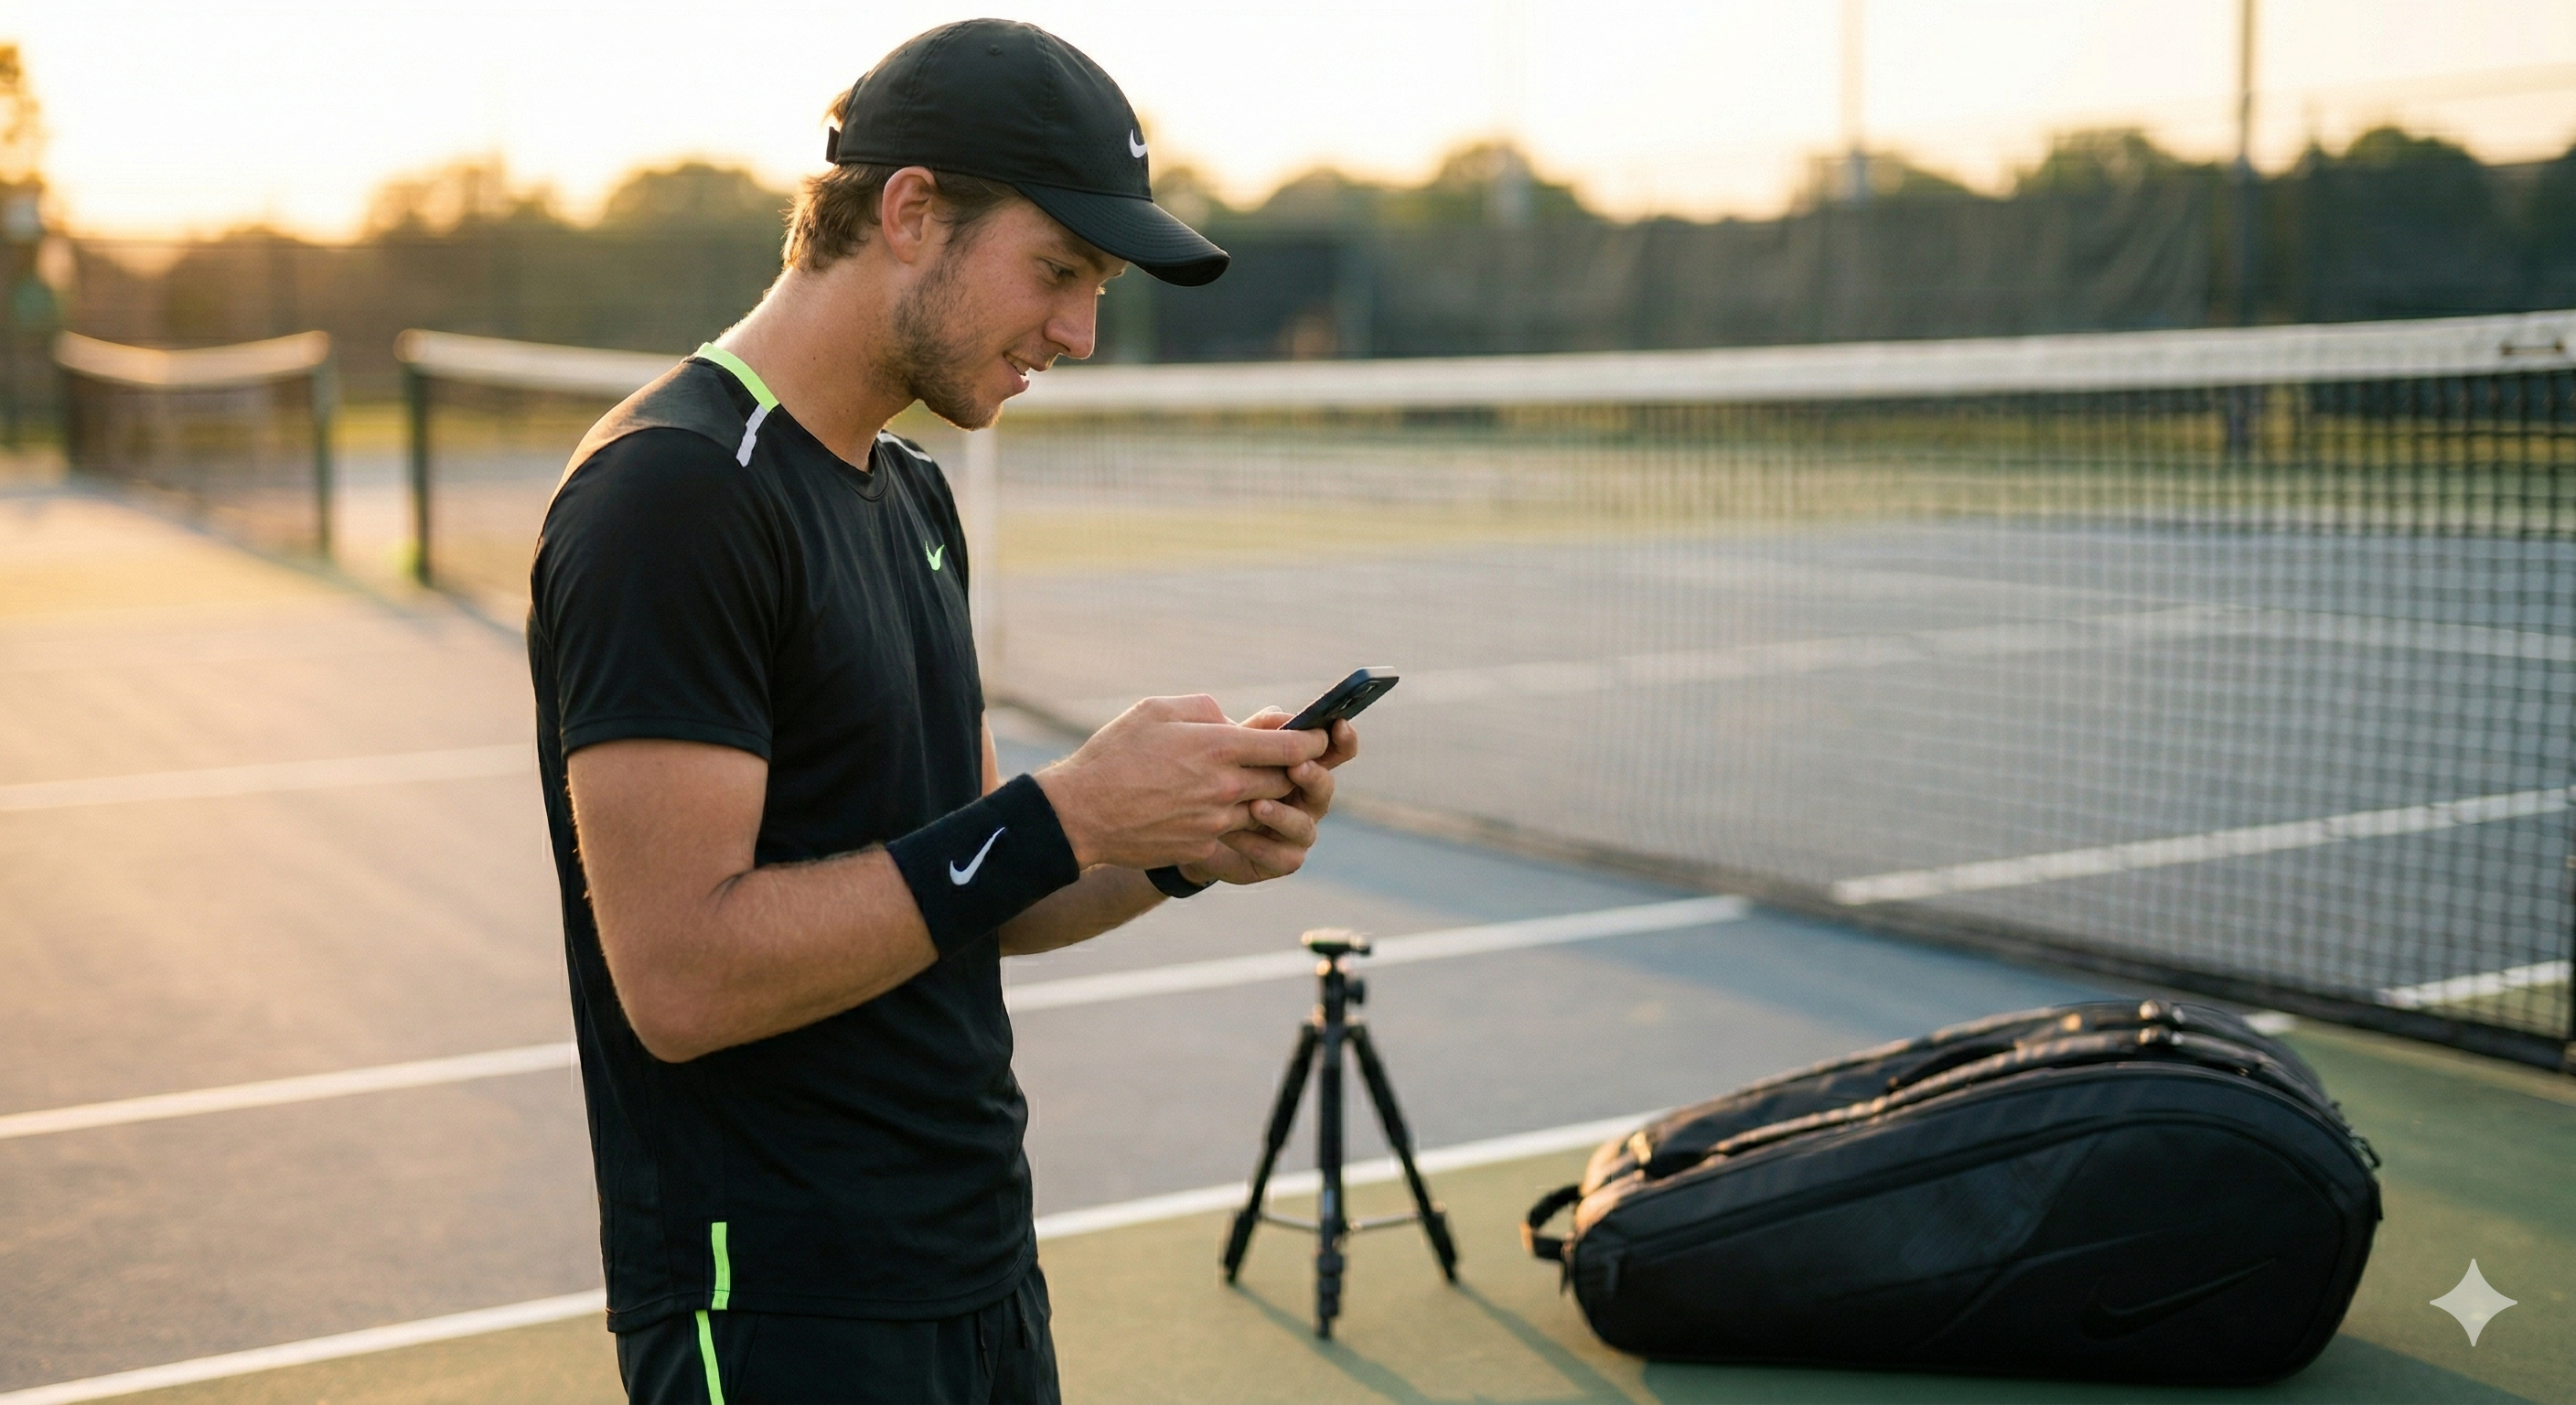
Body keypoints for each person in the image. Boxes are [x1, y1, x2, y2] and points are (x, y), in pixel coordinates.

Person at [526, 20, 1355, 1403]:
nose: (1081, 335)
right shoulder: (672, 496)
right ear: (911, 212)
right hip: (779, 1309)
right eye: (1059, 273)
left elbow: (979, 886)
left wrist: (1173, 846)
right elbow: (677, 980)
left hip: (973, 1271)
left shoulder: (908, 495)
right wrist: (1064, 808)